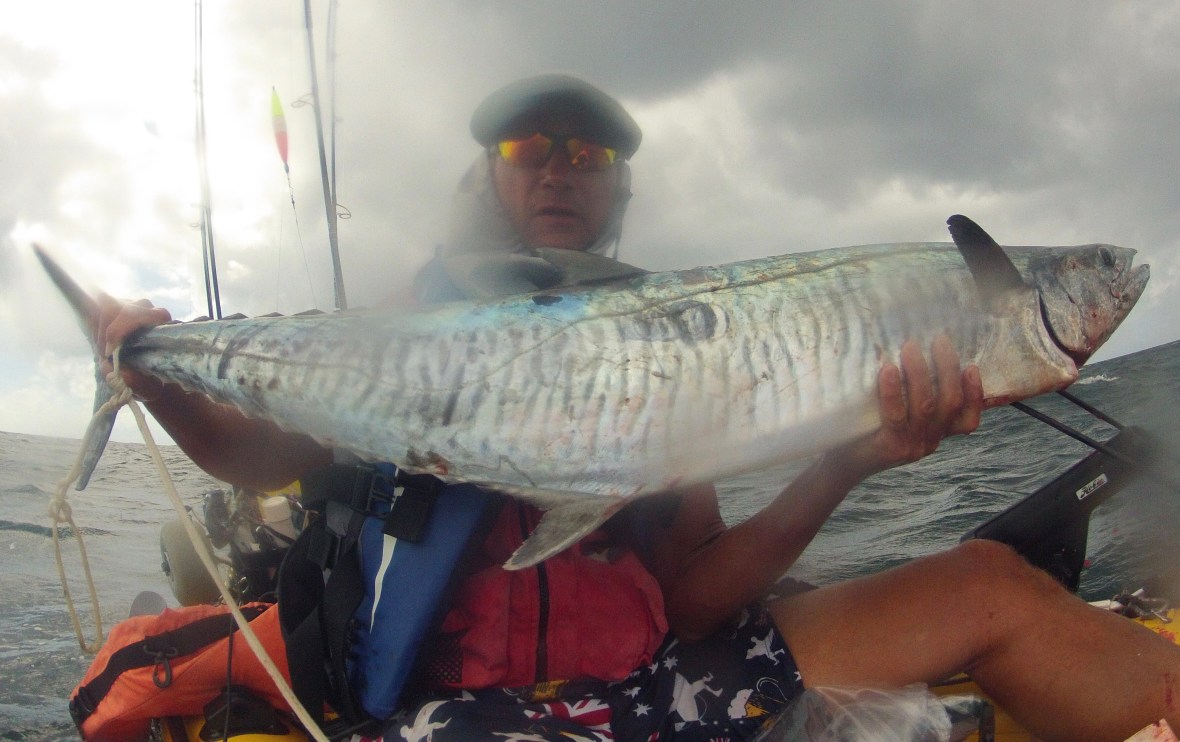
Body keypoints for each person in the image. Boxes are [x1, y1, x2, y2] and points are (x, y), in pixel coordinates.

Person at [93, 74, 1180, 741]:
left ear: (617, 186)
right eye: (529, 150)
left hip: (654, 677)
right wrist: (147, 365)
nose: (558, 171)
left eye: (589, 154)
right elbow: (249, 457)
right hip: (449, 708)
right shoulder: (401, 323)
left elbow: (699, 596)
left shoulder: (674, 334)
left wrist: (850, 459)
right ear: (490, 175)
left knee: (993, 583)